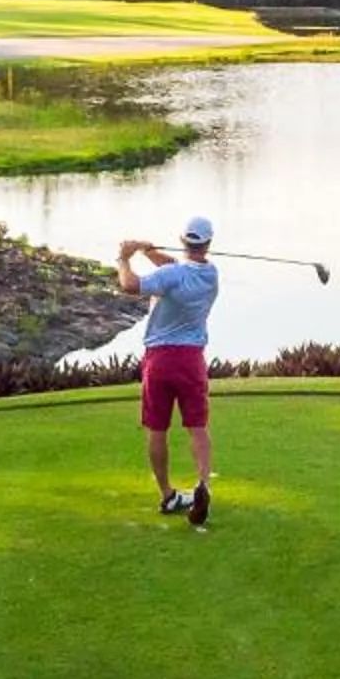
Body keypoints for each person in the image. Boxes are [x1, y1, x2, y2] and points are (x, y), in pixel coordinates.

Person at [118, 217, 220, 528]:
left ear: (183, 240)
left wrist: (123, 258)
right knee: (198, 427)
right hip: (191, 360)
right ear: (208, 243)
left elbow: (130, 285)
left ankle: (167, 494)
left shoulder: (170, 275)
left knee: (157, 428)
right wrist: (150, 252)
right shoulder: (210, 274)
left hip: (160, 359)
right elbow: (177, 267)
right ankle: (203, 483)